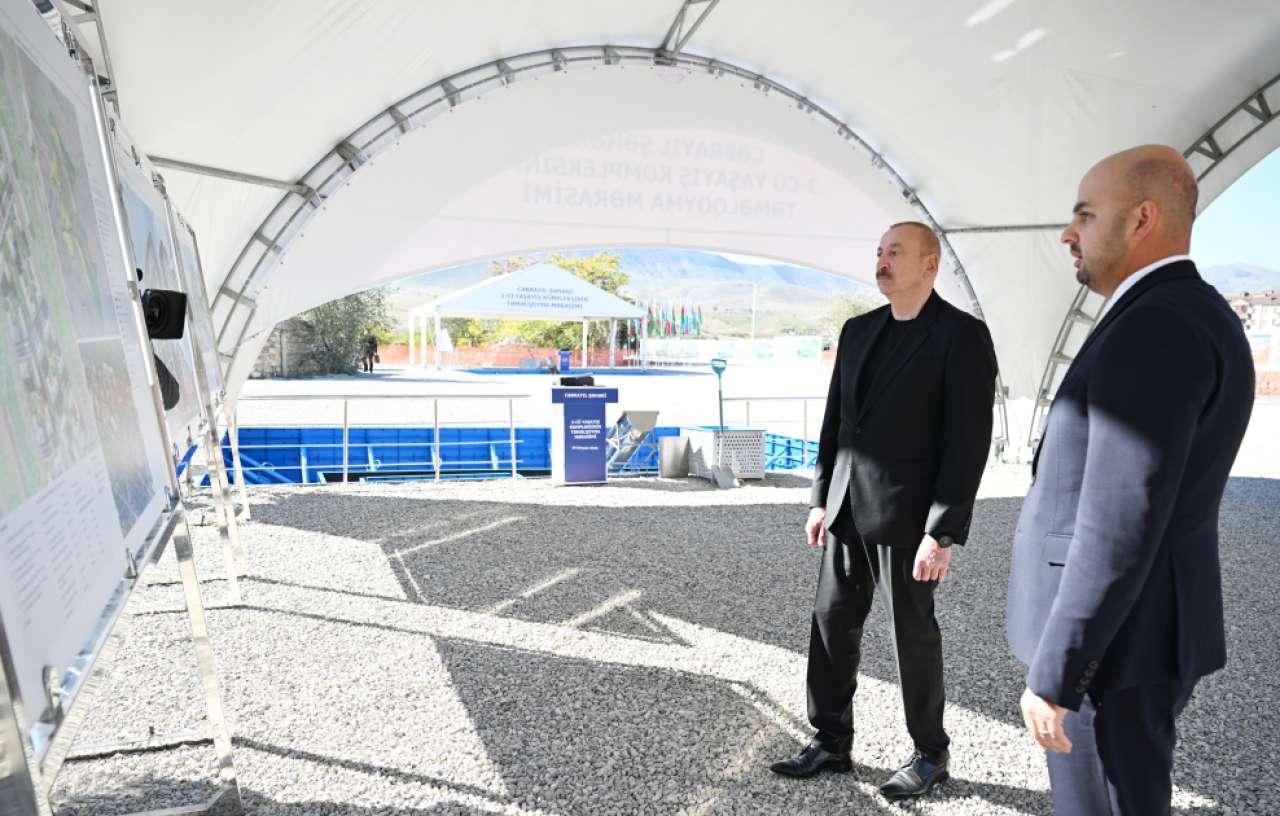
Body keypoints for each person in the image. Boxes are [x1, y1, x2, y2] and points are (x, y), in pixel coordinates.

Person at [1006, 145, 1255, 814]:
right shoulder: (1183, 310)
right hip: (1133, 635)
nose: (1069, 234)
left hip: (1117, 649)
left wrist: (1059, 671)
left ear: (1142, 219)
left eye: (1085, 215)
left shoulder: (1156, 324)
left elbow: (1119, 522)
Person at [770, 222, 997, 800]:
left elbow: (967, 442)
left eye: (896, 252)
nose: (883, 261)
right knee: (830, 623)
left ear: (929, 264)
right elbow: (836, 422)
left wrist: (941, 531)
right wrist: (820, 498)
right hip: (846, 507)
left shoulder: (962, 336)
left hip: (909, 518)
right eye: (879, 252)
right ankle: (831, 740)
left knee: (911, 636)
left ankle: (930, 753)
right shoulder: (859, 330)